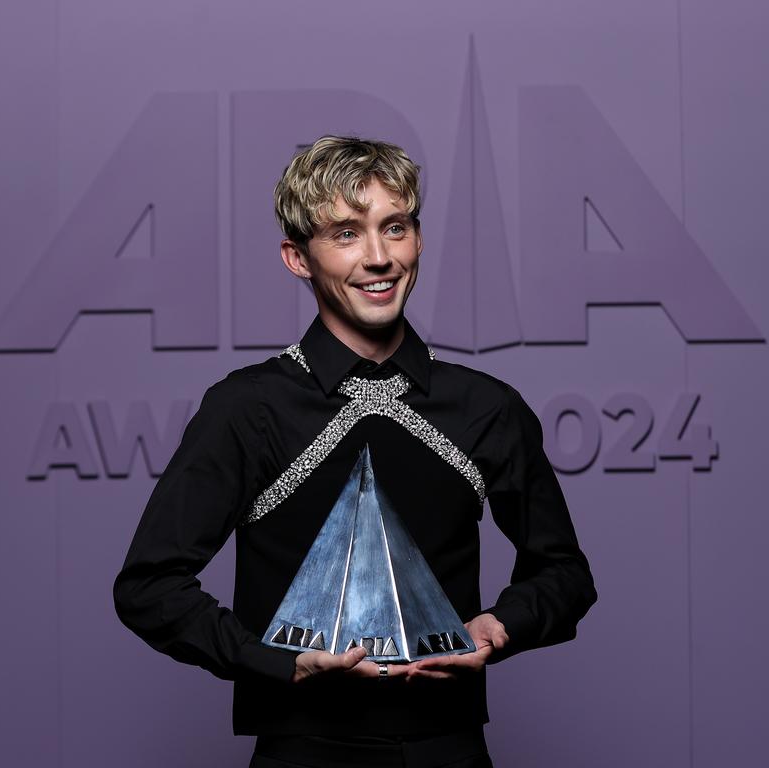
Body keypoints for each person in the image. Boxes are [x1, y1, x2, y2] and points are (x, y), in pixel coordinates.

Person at [113, 136, 597, 767]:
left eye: (394, 228)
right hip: (302, 750)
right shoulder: (247, 409)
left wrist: (498, 628)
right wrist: (272, 661)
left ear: (418, 241)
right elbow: (148, 587)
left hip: (448, 751)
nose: (378, 258)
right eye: (345, 233)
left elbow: (564, 572)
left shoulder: (487, 408)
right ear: (297, 257)